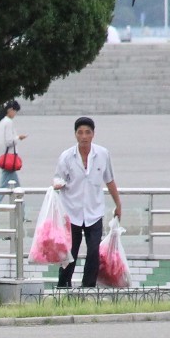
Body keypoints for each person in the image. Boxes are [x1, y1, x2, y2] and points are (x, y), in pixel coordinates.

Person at [52, 116, 123, 289]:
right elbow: (57, 178)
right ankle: (63, 285)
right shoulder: (67, 156)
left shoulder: (102, 154)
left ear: (93, 134)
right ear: (75, 135)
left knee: (93, 251)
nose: (84, 136)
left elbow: (110, 180)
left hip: (94, 211)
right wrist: (57, 184)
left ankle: (88, 287)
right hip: (72, 211)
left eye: (87, 132)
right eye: (80, 132)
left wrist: (118, 204)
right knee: (71, 252)